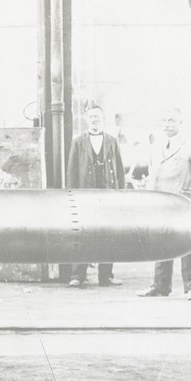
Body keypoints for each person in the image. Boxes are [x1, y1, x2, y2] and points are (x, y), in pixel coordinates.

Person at [139, 107, 191, 299]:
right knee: (161, 243)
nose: (167, 124)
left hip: (185, 203)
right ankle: (160, 286)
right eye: (163, 120)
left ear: (181, 123)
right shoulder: (156, 147)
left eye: (171, 120)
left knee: (188, 244)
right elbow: (152, 173)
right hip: (161, 204)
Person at [65, 103, 126, 287]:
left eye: (97, 117)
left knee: (109, 235)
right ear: (86, 119)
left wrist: (121, 194)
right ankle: (77, 275)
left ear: (103, 119)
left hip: (108, 195)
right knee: (82, 235)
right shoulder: (78, 142)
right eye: (91, 117)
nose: (94, 120)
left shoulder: (112, 141)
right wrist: (72, 196)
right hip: (85, 196)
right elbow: (71, 171)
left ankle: (106, 276)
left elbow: (120, 170)